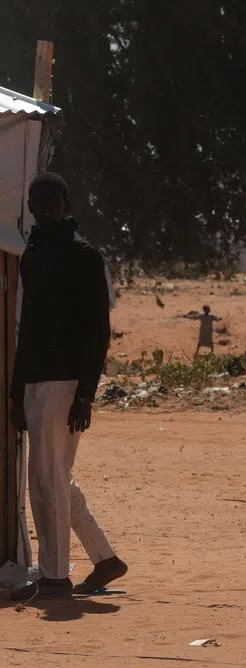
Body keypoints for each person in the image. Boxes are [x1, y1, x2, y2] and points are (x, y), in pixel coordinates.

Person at [8, 173, 127, 601]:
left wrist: (85, 395)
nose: (42, 208)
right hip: (35, 378)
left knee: (45, 479)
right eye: (35, 201)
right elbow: (27, 328)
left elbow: (97, 330)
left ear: (65, 203)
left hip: (66, 380)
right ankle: (105, 558)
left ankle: (55, 577)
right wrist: (16, 392)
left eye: (49, 201)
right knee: (55, 477)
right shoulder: (33, 255)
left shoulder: (84, 257)